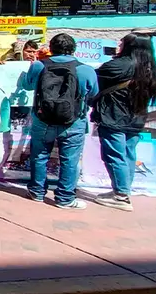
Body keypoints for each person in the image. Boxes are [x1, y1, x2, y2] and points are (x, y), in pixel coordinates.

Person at [20, 34, 98, 210]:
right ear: (74, 49)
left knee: (39, 156)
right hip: (73, 122)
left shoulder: (39, 65)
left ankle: (37, 191)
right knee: (69, 160)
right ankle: (65, 198)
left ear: (51, 47)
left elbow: (27, 85)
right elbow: (93, 93)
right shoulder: (85, 69)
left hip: (43, 120)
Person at [91, 33, 156, 211]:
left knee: (114, 156)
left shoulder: (120, 65)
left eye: (122, 43)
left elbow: (95, 76)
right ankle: (123, 191)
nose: (119, 45)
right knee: (129, 155)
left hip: (114, 116)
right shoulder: (151, 68)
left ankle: (120, 195)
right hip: (137, 118)